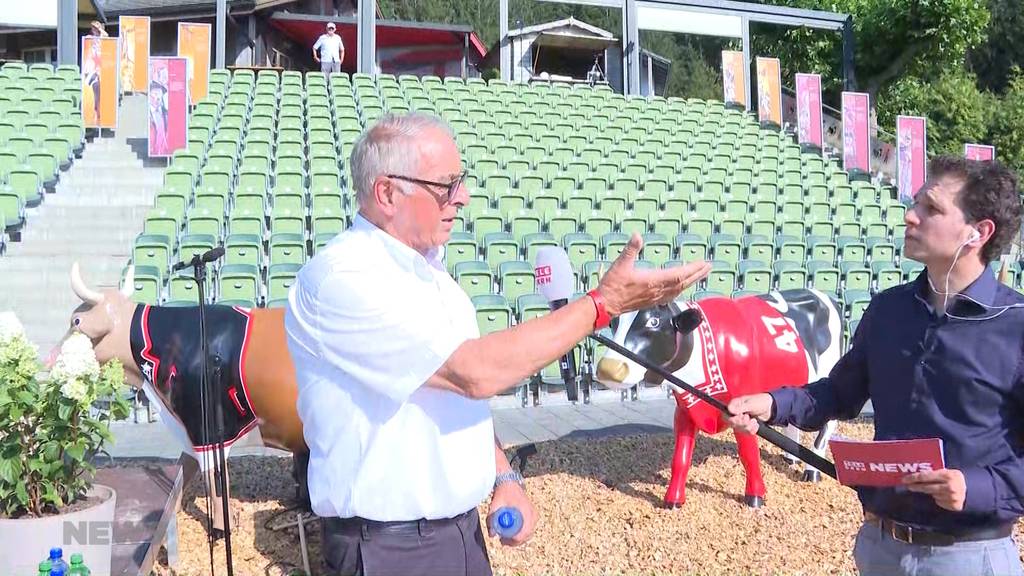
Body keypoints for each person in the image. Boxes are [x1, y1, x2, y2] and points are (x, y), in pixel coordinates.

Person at [284, 112, 711, 576]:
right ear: (387, 192)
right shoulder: (343, 279)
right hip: (388, 550)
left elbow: (450, 398)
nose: (462, 197)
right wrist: (600, 306)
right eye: (446, 184)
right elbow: (473, 374)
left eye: (460, 182)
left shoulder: (431, 273)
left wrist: (504, 474)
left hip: (459, 535)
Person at [727, 155, 1024, 576]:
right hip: (878, 549)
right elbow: (838, 393)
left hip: (971, 558)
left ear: (979, 232)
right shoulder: (889, 310)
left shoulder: (1017, 328)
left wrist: (977, 487)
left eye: (931, 209)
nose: (910, 216)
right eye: (916, 202)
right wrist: (773, 404)